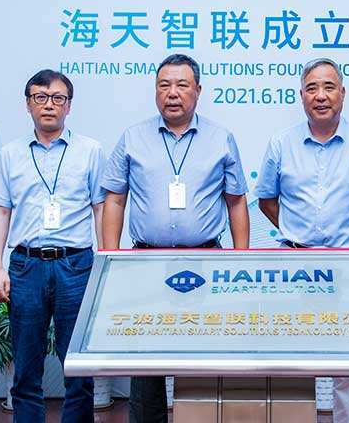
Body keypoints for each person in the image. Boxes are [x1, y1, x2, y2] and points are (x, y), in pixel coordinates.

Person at [101, 53, 250, 423]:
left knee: (204, 356)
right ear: (155, 91)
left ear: (198, 90)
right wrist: (109, 258)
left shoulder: (221, 138)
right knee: (144, 360)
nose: (172, 93)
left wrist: (243, 262)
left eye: (182, 85)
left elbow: (236, 202)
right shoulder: (133, 137)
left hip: (206, 261)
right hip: (145, 262)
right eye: (164, 85)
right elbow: (115, 199)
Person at [255, 57, 349, 423]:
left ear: (343, 93)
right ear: (301, 95)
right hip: (295, 265)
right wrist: (296, 236)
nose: (320, 96)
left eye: (329, 87)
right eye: (312, 88)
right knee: (293, 356)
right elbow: (267, 200)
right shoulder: (281, 143)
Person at [0, 69, 104, 423]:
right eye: (40, 97)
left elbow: (101, 208)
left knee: (77, 365)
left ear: (69, 106)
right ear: (28, 104)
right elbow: (0, 210)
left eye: (57, 98)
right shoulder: (10, 154)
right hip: (27, 266)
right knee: (26, 366)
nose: (48, 105)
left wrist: (104, 264)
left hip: (76, 265)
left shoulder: (90, 151)